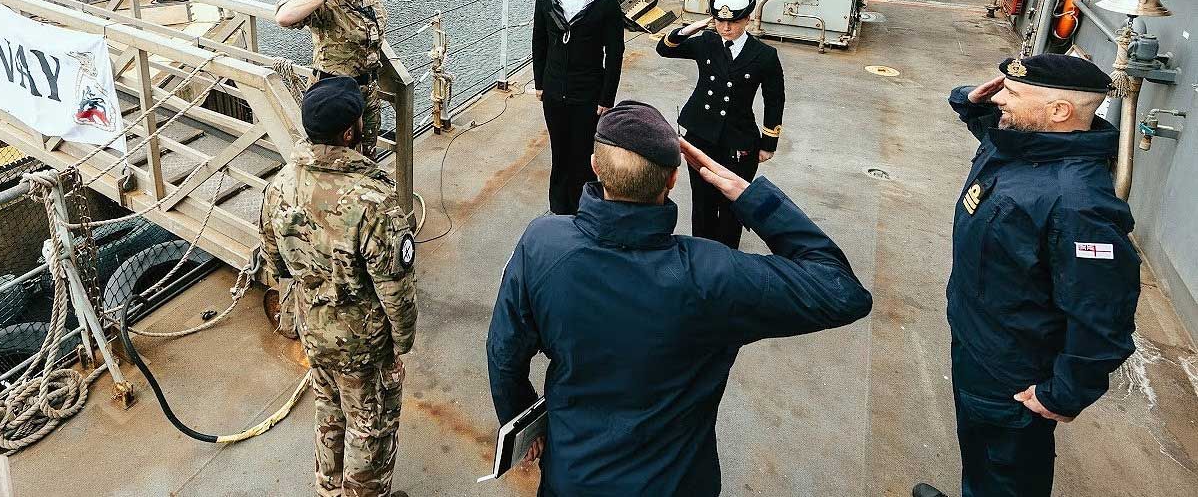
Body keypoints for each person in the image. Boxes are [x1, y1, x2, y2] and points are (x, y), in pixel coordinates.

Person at [486, 100, 872, 497]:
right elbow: (842, 291)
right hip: (675, 484)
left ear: (596, 167)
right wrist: (748, 195)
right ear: (673, 179)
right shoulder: (715, 274)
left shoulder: (543, 244)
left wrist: (519, 416)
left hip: (574, 478)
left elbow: (503, 352)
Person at [914, 54, 1140, 497]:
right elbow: (987, 127)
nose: (1001, 101)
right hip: (978, 338)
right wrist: (973, 102)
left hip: (1012, 368)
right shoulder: (1026, 143)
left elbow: (1103, 314)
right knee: (979, 449)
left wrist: (1065, 393)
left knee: (1007, 473)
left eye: (1012, 95)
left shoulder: (1078, 204)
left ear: (1058, 111)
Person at [260, 76, 417, 497]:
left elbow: (276, 263)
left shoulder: (279, 187)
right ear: (351, 132)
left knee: (329, 412)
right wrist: (401, 344)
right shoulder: (372, 201)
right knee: (370, 426)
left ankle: (329, 490)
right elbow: (395, 292)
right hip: (363, 344)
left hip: (315, 332)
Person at [655, 0, 785, 248]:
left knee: (733, 203)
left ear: (747, 19)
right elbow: (664, 49)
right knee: (702, 201)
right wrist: (697, 25)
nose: (726, 27)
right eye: (719, 20)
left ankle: (727, 258)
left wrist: (769, 142)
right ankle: (701, 256)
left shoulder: (764, 55)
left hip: (738, 138)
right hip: (701, 135)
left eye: (733, 21)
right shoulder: (706, 42)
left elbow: (774, 99)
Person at [532, 0, 626, 215]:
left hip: (588, 93)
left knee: (584, 156)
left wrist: (606, 97)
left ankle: (584, 210)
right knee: (559, 153)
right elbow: (539, 42)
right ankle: (559, 210)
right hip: (554, 90)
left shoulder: (605, 1)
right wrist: (540, 84)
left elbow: (615, 52)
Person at [276, 0, 388, 156]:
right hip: (333, 98)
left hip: (367, 93)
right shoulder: (324, 2)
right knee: (332, 160)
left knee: (366, 159)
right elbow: (283, 17)